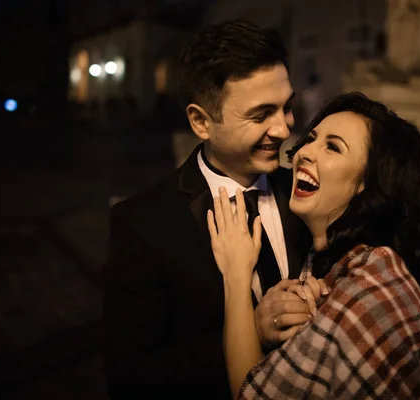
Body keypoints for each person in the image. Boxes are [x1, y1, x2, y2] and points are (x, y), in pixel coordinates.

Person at [102, 20, 315, 399]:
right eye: (261, 114)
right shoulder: (143, 223)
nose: (283, 129)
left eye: (287, 107)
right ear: (201, 122)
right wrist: (254, 331)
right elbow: (132, 376)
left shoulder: (307, 192)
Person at [208, 92, 420, 399]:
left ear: (368, 183)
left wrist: (236, 275)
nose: (304, 152)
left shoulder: (374, 284)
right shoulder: (332, 262)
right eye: (311, 138)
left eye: (333, 147)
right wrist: (262, 328)